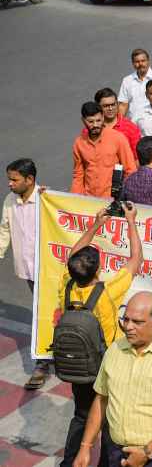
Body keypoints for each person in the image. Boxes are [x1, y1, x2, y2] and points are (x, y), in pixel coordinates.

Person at [72, 291, 152, 467]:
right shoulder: (115, 350)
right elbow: (102, 398)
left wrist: (146, 452)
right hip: (115, 451)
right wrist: (85, 447)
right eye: (126, 320)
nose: (129, 327)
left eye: (138, 322)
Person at [63, 205, 143, 467]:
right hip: (104, 368)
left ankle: (70, 463)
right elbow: (135, 260)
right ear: (98, 271)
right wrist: (130, 221)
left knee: (82, 415)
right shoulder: (107, 291)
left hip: (77, 365)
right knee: (109, 421)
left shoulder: (68, 285)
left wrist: (96, 225)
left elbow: (73, 255)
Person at [0, 158, 50, 389]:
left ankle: (44, 362)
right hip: (28, 270)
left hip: (50, 270)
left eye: (14, 179)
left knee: (50, 313)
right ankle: (45, 359)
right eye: (9, 179)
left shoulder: (46, 198)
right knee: (42, 313)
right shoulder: (10, 200)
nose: (10, 184)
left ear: (30, 180)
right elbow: (5, 230)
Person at [71, 101, 137, 198]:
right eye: (91, 122)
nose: (95, 125)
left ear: (103, 117)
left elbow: (130, 170)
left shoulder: (118, 138)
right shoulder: (79, 143)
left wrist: (124, 197)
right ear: (83, 120)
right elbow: (78, 175)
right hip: (89, 198)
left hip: (113, 199)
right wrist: (74, 199)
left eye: (98, 120)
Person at [93, 87, 141, 157]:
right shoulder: (91, 129)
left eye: (113, 104)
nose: (110, 108)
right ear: (98, 107)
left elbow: (137, 158)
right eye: (106, 106)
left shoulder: (131, 128)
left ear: (117, 104)